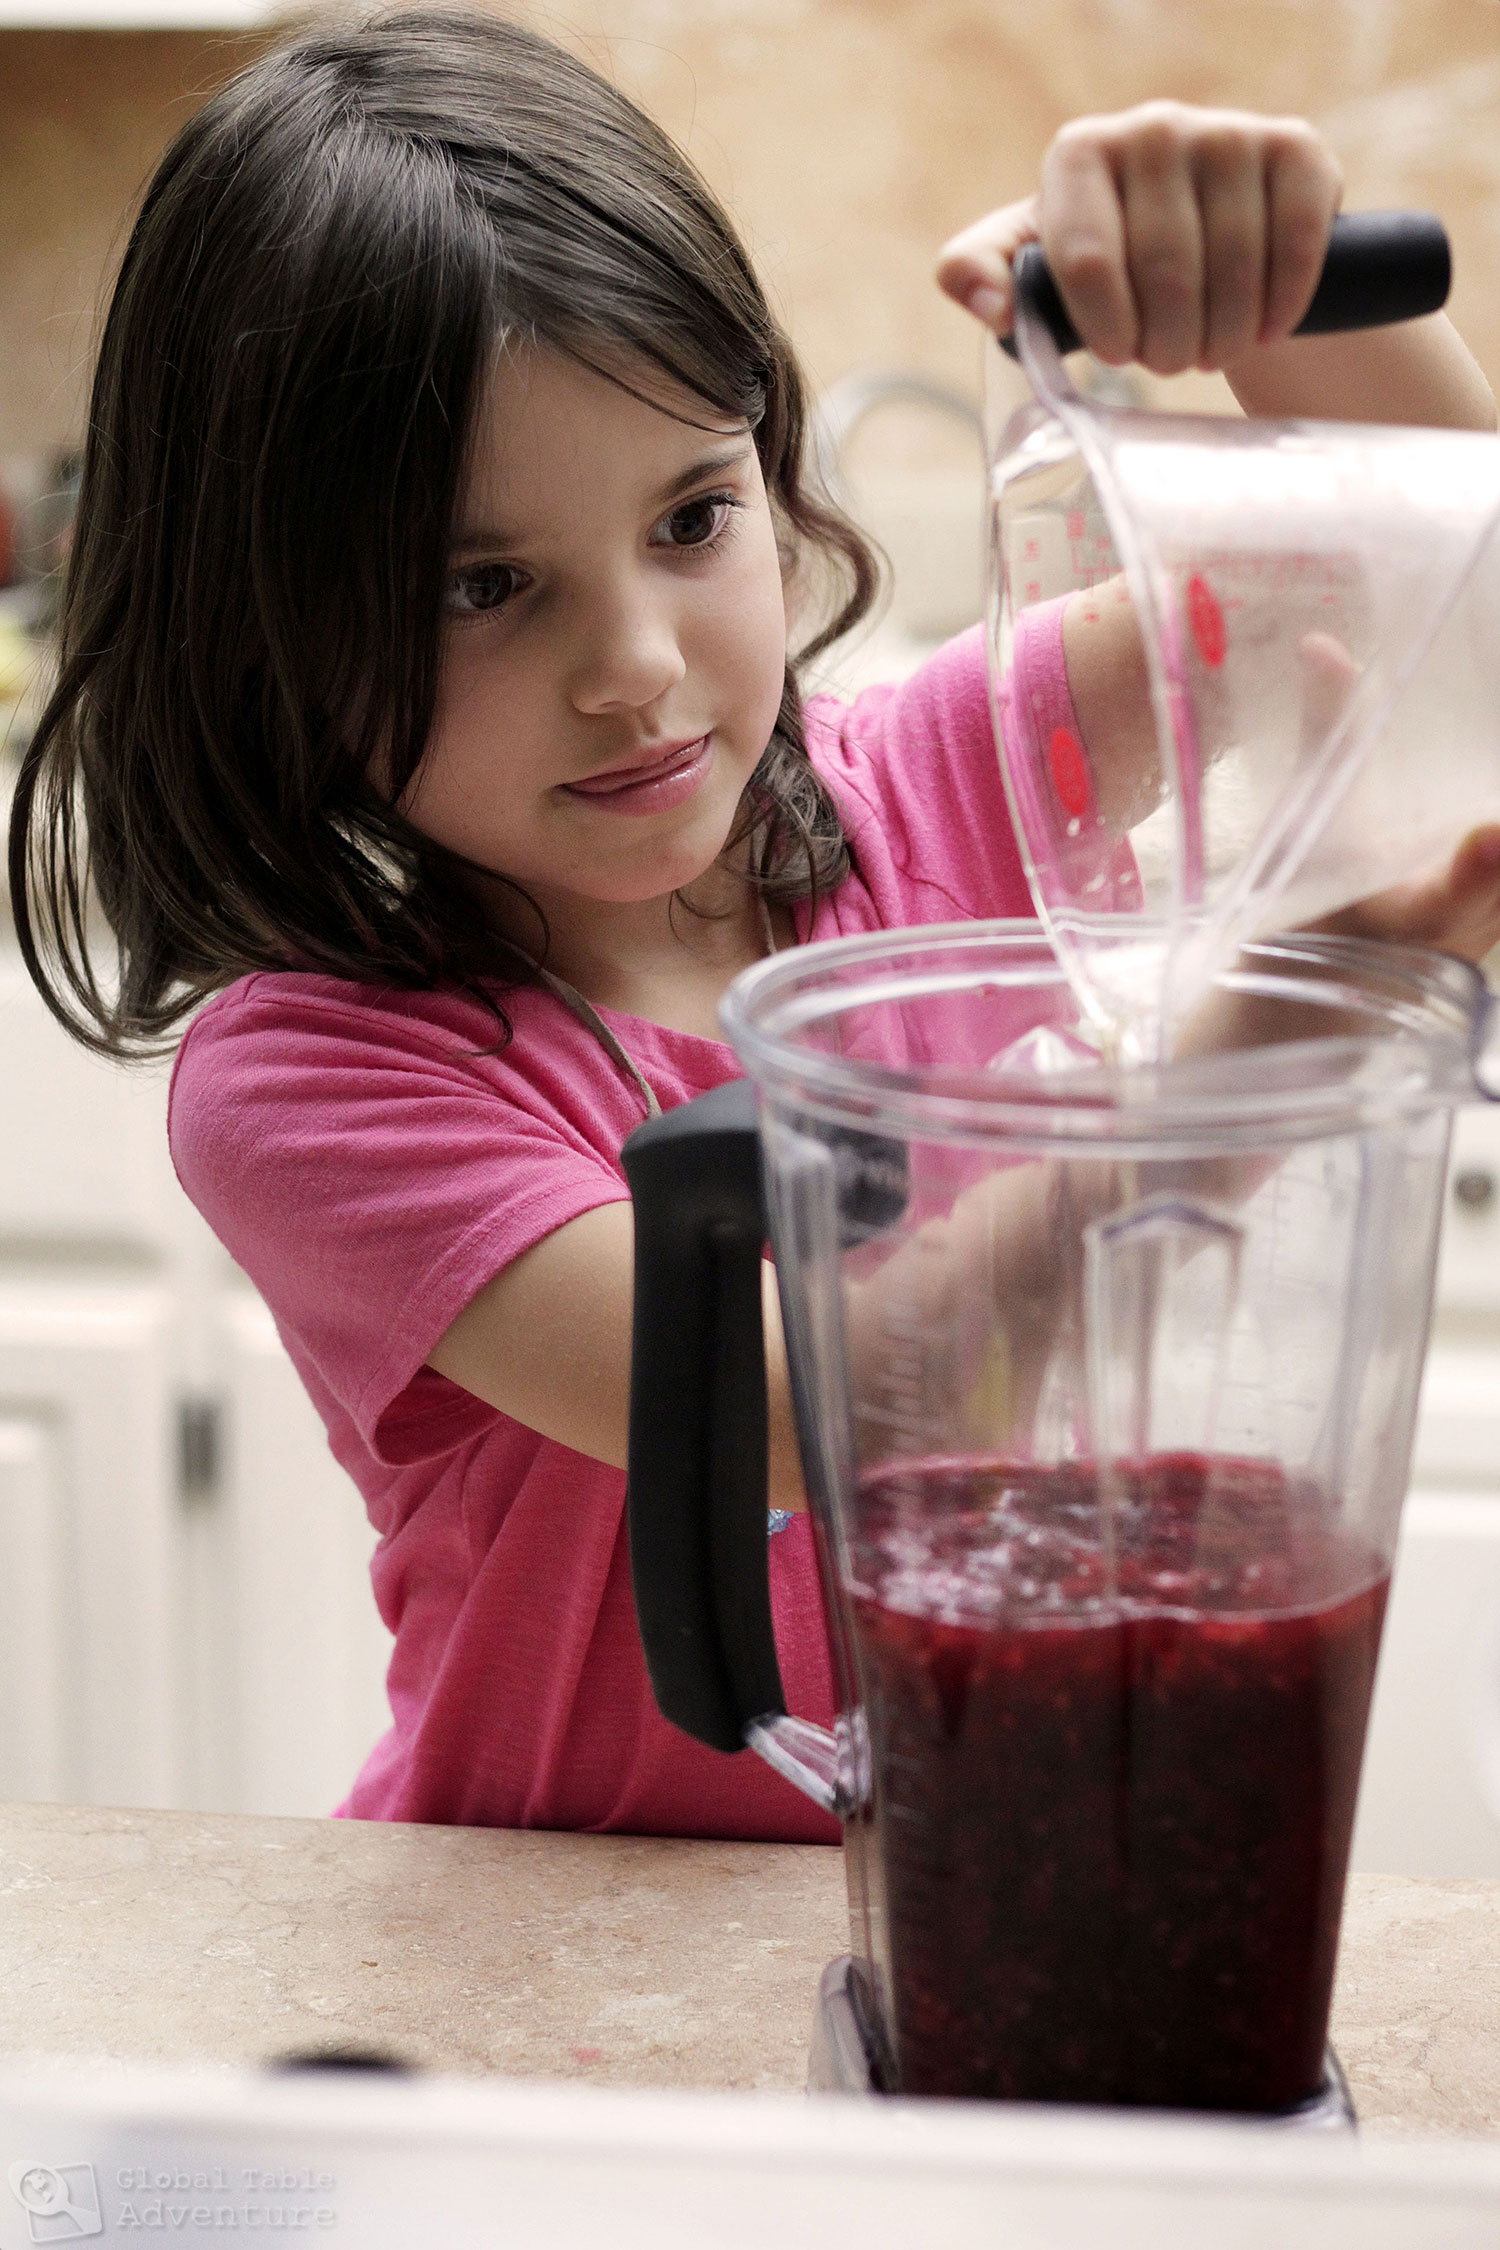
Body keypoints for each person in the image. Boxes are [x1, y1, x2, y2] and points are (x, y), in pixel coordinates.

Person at [11, 9, 1499, 1840]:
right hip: (546, 1952)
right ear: (265, 631)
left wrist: (1274, 283)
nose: (636, 673)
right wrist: (1217, 1098)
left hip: (987, 1872)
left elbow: (1438, 574)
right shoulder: (318, 1079)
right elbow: (812, 1406)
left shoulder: (955, 774)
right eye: (484, 585)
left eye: (694, 515)